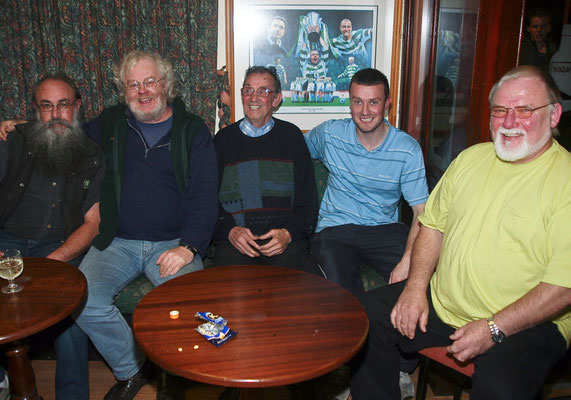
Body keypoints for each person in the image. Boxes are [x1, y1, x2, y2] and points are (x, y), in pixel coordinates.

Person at [350, 65, 571, 400]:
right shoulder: (470, 159)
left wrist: (494, 328)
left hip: (526, 324)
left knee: (501, 387)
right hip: (445, 305)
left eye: (524, 110)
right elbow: (432, 226)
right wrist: (414, 288)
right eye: (500, 111)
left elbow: (563, 286)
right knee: (365, 318)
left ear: (554, 114)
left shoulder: (566, 181)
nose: (509, 123)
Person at [73, 51, 218, 400]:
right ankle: (132, 369)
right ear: (123, 91)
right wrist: (18, 125)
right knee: (82, 300)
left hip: (172, 242)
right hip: (117, 241)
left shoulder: (193, 130)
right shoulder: (109, 123)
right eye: (133, 84)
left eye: (150, 81)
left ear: (166, 85)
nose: (142, 91)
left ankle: (181, 377)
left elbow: (205, 196)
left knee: (196, 309)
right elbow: (65, 133)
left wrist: (189, 247)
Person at [0, 74, 103, 399]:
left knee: (71, 302)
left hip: (60, 247)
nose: (56, 115)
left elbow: (93, 223)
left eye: (63, 105)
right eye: (47, 107)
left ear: (77, 107)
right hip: (7, 241)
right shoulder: (12, 141)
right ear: (36, 110)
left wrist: (52, 263)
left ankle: (72, 395)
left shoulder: (93, 155)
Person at [305, 68, 428, 295]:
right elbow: (293, 150)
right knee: (338, 294)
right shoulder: (329, 134)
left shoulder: (407, 150)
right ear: (349, 103)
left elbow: (421, 212)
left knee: (415, 287)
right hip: (336, 231)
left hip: (385, 231)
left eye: (374, 102)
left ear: (387, 103)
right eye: (357, 102)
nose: (365, 111)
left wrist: (409, 261)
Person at [212, 66, 319, 273]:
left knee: (292, 299)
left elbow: (308, 202)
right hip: (236, 245)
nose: (254, 97)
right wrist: (230, 231)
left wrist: (288, 233)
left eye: (263, 91)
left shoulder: (292, 138)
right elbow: (207, 200)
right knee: (230, 299)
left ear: (276, 99)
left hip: (284, 245)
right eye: (248, 90)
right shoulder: (223, 141)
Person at [520, 8, 558, 74]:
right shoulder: (520, 48)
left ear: (549, 28)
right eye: (535, 26)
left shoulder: (555, 49)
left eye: (543, 26)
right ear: (528, 28)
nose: (539, 30)